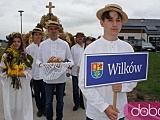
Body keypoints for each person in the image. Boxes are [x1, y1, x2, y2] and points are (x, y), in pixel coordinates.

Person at [78, 4, 137, 120]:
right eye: (110, 20)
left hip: (119, 112)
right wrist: (104, 107)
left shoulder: (128, 49)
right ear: (102, 23)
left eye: (118, 20)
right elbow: (84, 83)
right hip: (96, 114)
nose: (114, 24)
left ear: (121, 23)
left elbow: (133, 79)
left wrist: (123, 86)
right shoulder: (91, 49)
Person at [36, 20, 74, 120]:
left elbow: (70, 60)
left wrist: (65, 65)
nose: (53, 31)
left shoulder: (64, 44)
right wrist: (41, 64)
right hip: (48, 78)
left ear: (59, 30)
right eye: (51, 29)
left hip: (61, 77)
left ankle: (59, 118)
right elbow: (38, 59)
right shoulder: (43, 44)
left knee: (60, 101)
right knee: (48, 102)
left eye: (55, 29)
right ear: (47, 31)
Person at [0, 32, 33, 120]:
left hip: (22, 84)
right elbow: (1, 71)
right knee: (11, 105)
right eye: (14, 41)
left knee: (21, 106)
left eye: (18, 41)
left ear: (21, 43)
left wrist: (21, 74)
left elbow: (29, 71)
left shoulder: (24, 55)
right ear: (11, 43)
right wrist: (9, 73)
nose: (16, 43)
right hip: (10, 84)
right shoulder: (6, 55)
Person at [26, 24, 46, 117]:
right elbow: (27, 63)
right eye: (36, 35)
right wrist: (29, 75)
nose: (38, 36)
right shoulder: (29, 48)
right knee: (37, 93)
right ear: (33, 36)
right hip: (35, 74)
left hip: (44, 74)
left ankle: (44, 108)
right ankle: (40, 109)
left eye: (39, 34)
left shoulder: (44, 46)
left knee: (45, 93)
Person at [71, 32, 85, 111]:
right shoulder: (73, 48)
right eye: (78, 37)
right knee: (75, 89)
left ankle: (82, 103)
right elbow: (70, 59)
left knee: (82, 89)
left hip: (83, 72)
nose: (80, 38)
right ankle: (76, 103)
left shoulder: (86, 47)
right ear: (76, 38)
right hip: (75, 72)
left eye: (81, 37)